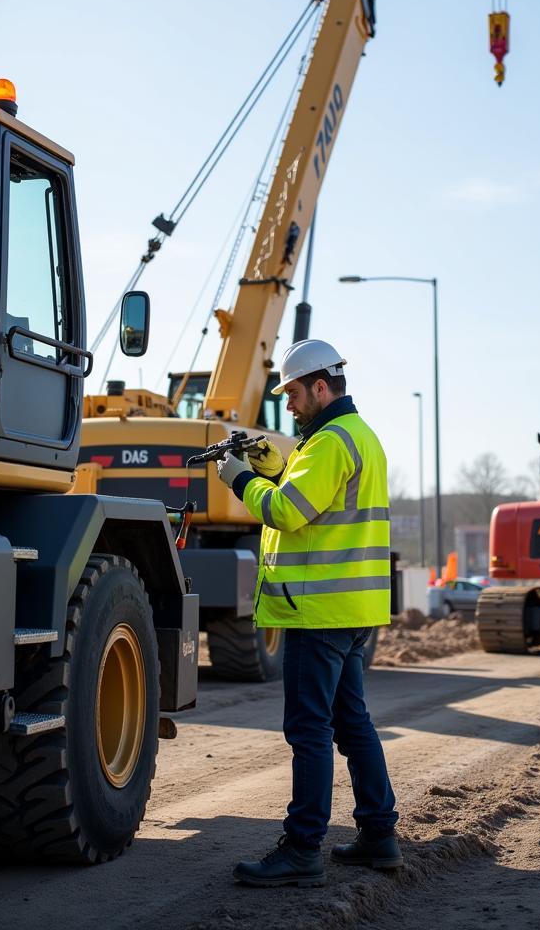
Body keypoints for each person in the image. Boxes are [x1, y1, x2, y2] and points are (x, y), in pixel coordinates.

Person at [215, 339, 401, 888]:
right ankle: (379, 835)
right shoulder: (354, 436)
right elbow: (312, 493)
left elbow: (287, 509)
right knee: (351, 724)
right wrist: (272, 462)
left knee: (309, 730)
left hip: (317, 612)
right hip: (351, 610)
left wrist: (238, 478)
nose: (289, 405)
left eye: (294, 393)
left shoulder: (328, 444)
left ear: (322, 386)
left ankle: (302, 849)